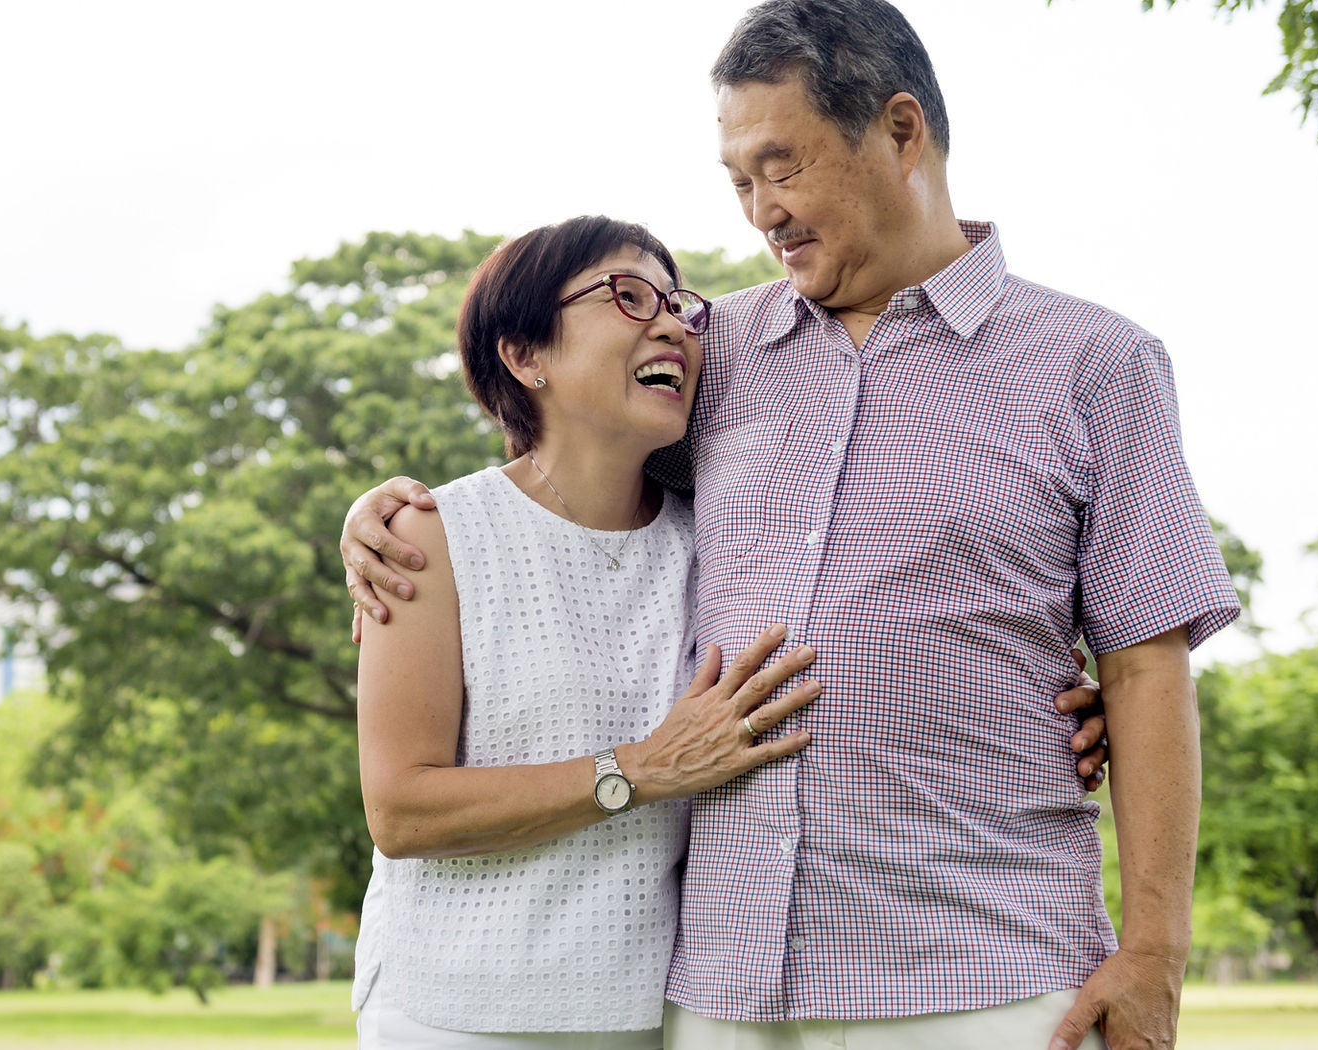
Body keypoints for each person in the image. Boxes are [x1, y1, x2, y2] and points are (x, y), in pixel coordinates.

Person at [340, 3, 1238, 1049]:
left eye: (782, 165)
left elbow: (1146, 663)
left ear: (901, 132)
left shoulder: (1097, 363)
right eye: (737, 181)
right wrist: (386, 512)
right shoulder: (715, 348)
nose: (761, 210)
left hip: (986, 979)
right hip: (721, 995)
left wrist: (1156, 952)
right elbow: (557, 465)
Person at [351, 215, 1109, 1050]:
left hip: (656, 1013)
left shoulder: (711, 534)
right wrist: (640, 770)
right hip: (457, 1013)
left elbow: (892, 614)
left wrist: (1037, 693)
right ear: (524, 355)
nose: (672, 323)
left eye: (679, 305)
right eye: (628, 297)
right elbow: (401, 811)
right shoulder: (428, 535)